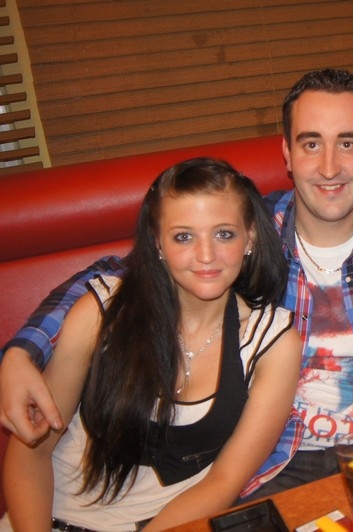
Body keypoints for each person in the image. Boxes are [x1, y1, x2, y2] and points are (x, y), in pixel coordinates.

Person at [0, 69, 353, 500]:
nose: (329, 166)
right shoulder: (247, 234)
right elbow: (123, 274)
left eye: (348, 143)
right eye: (311, 143)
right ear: (287, 153)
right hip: (274, 458)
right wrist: (23, 352)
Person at [1, 158, 302, 531]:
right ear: (158, 243)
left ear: (250, 238)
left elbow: (223, 481)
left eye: (224, 234)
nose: (206, 255)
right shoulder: (102, 311)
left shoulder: (272, 342)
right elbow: (32, 450)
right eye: (183, 236)